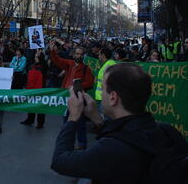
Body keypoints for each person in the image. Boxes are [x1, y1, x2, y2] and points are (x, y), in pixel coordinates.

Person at [51, 63, 188, 184]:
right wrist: (97, 118)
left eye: (103, 89)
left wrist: (73, 117)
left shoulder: (109, 150)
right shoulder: (167, 131)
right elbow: (126, 133)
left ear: (113, 97)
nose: (101, 93)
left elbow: (60, 161)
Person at [50, 41, 94, 149]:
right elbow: (57, 61)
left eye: (81, 54)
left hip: (78, 99)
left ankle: (82, 144)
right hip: (66, 98)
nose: (79, 56)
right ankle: (66, 143)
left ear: (84, 55)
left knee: (80, 123)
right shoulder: (69, 64)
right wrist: (52, 51)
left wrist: (76, 86)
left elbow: (89, 83)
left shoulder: (86, 68)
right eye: (77, 54)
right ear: (74, 54)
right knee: (66, 122)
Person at [21, 51, 48, 128]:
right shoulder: (32, 65)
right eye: (35, 56)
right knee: (31, 104)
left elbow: (44, 67)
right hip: (32, 88)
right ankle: (30, 120)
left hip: (40, 88)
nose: (35, 58)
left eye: (37, 57)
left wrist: (39, 53)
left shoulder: (43, 66)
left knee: (40, 106)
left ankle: (40, 123)